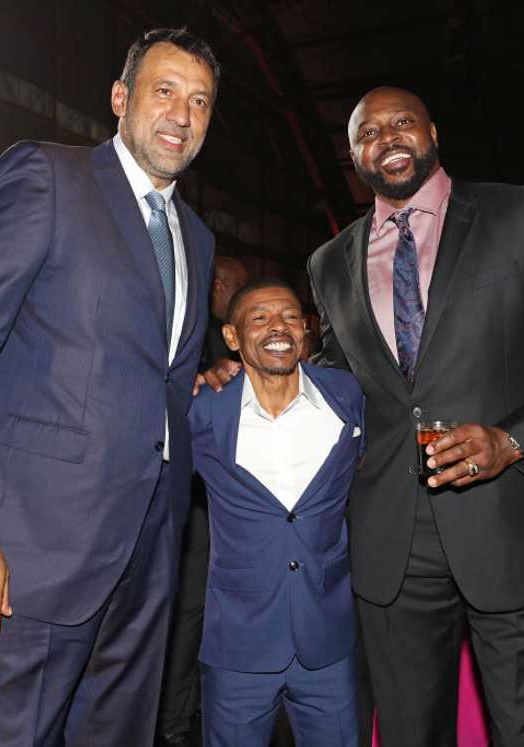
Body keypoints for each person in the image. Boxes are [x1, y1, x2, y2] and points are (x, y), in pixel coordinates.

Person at [0, 27, 219, 746]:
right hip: (34, 554)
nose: (181, 113)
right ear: (120, 98)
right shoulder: (47, 177)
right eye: (164, 91)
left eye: (200, 101)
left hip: (149, 556)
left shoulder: (197, 238)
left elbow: (147, 372)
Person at [307, 87, 524, 745]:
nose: (388, 137)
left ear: (434, 130)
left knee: (523, 735)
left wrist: (513, 440)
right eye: (368, 131)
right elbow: (341, 384)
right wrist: (252, 383)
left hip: (511, 526)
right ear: (352, 156)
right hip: (389, 543)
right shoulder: (329, 263)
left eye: (403, 121)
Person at [189, 279, 364, 745]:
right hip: (237, 642)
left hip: (329, 639)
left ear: (306, 330)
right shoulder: (204, 409)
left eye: (289, 315)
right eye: (259, 317)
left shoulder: (346, 397)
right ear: (232, 337)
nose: (277, 327)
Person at [157, 255, 247, 746]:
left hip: (209, 504)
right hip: (192, 503)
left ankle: (182, 708)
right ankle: (173, 720)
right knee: (189, 612)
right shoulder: (202, 337)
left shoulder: (217, 336)